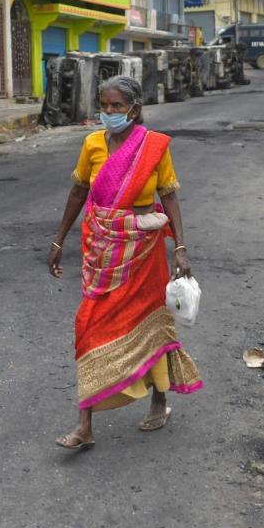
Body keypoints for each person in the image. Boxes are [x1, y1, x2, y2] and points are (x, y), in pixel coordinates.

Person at [48, 76, 202, 451]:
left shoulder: (153, 147)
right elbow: (78, 191)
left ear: (134, 108)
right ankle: (85, 425)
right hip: (102, 249)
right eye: (105, 105)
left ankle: (159, 399)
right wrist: (58, 239)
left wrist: (180, 247)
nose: (111, 112)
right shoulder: (92, 144)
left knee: (149, 325)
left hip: (144, 253)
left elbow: (169, 197)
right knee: (87, 326)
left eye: (118, 106)